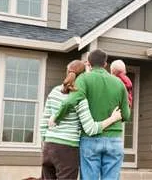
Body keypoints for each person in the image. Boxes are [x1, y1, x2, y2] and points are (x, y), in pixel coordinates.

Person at [52, 49, 130, 180]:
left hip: (90, 140)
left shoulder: (84, 79)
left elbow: (70, 101)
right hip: (114, 140)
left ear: (89, 63)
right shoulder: (119, 83)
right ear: (105, 64)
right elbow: (126, 115)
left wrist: (57, 118)